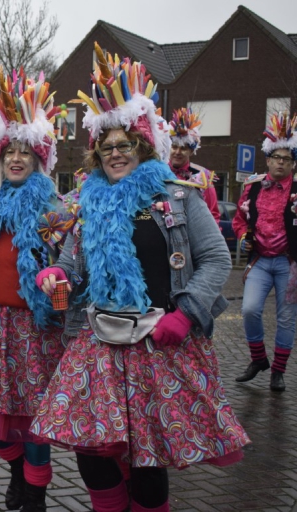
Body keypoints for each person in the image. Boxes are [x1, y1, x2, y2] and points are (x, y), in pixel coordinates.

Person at [32, 43, 249, 512]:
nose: (114, 153)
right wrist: (53, 273)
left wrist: (187, 314)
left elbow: (216, 259)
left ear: (142, 146)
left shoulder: (180, 197)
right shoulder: (87, 203)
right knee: (93, 453)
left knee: (149, 460)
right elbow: (71, 264)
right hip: (100, 340)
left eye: (123, 144)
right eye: (105, 147)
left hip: (161, 339)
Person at [0, 69, 71, 512]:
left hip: (35, 325)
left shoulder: (53, 206)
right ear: (0, 159)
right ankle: (18, 471)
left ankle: (35, 493)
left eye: (26, 152)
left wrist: (59, 281)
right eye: (10, 152)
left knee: (32, 417)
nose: (17, 159)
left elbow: (68, 262)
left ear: (39, 160)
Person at [233, 111, 297, 392]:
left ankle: (278, 372)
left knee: (286, 318)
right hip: (259, 259)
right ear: (268, 159)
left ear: (293, 163)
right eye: (276, 158)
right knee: (249, 309)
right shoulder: (254, 186)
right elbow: (239, 219)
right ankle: (258, 359)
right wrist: (244, 236)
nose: (281, 163)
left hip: (288, 262)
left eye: (287, 159)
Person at [168, 107, 220, 223]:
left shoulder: (203, 177)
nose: (177, 152)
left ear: (192, 151)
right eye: (174, 147)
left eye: (183, 148)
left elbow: (212, 215)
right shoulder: (158, 172)